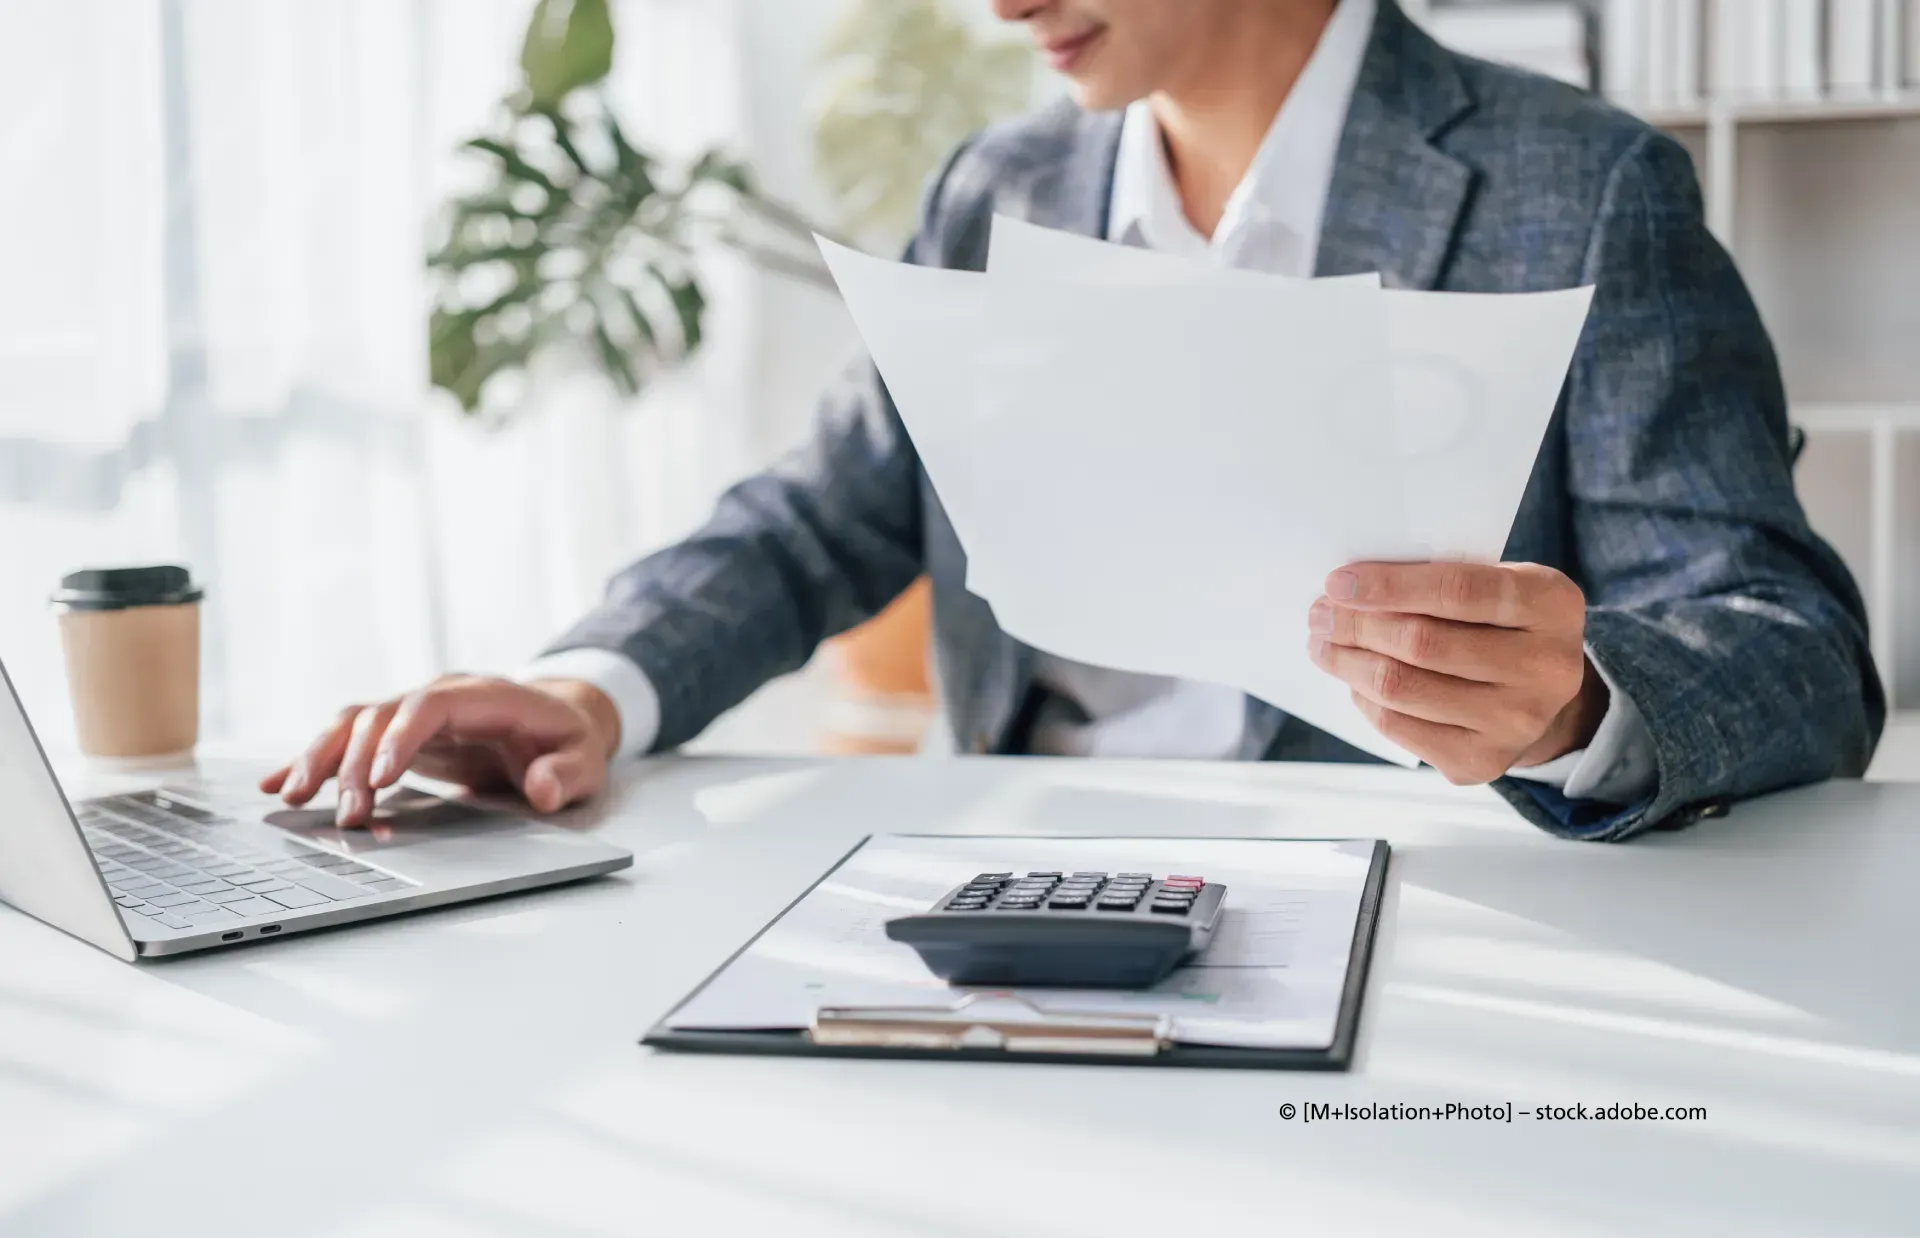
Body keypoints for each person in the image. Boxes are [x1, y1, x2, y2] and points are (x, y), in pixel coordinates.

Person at [264, 0, 1882, 841]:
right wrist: (589, 686)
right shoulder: (1003, 186)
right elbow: (820, 514)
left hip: (1421, 923)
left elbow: (1792, 644)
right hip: (1014, 888)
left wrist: (1575, 705)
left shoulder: (1583, 187)